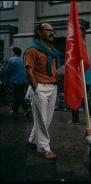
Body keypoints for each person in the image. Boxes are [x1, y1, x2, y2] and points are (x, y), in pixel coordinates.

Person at [24, 22, 60, 159]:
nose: (52, 33)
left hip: (52, 86)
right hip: (40, 87)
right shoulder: (32, 50)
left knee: (46, 120)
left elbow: (51, 70)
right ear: (39, 32)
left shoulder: (52, 50)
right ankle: (45, 148)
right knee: (42, 119)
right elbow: (29, 72)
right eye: (48, 30)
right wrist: (37, 88)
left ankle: (32, 141)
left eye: (53, 30)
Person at [5, 47, 31, 116]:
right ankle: (14, 109)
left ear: (14, 52)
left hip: (16, 81)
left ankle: (26, 108)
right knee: (18, 94)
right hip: (23, 81)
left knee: (19, 95)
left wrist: (7, 80)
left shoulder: (12, 60)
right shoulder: (22, 61)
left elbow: (8, 71)